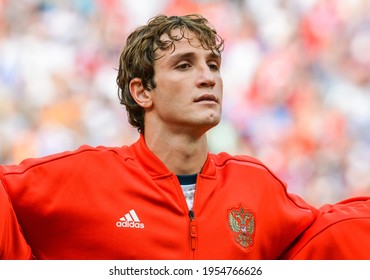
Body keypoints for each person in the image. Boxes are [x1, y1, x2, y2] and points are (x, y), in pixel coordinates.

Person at [0, 14, 369, 260]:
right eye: (184, 65)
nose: (208, 77)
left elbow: (331, 236)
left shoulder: (255, 183)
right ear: (143, 91)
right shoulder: (81, 176)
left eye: (213, 65)